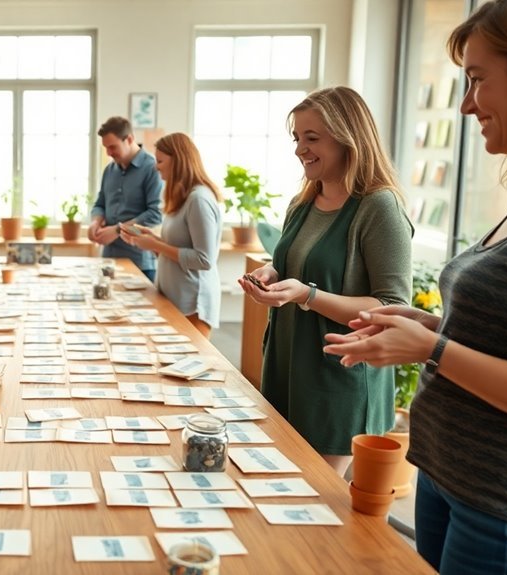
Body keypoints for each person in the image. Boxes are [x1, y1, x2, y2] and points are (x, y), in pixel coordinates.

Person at [324, 1, 507, 571]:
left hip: (506, 507)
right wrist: (429, 325)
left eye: (477, 80)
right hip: (449, 477)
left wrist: (433, 348)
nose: (467, 103)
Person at [238, 86, 413, 475]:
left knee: (313, 502)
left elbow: (392, 306)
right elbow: (296, 266)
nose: (300, 148)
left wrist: (307, 295)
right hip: (287, 367)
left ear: (348, 137)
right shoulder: (303, 202)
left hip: (338, 382)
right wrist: (272, 274)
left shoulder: (378, 207)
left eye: (312, 138)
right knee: (278, 486)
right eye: (297, 138)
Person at [119, 132, 222, 337]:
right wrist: (152, 239)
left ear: (178, 161)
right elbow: (179, 246)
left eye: (160, 161)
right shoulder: (183, 198)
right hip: (175, 299)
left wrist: (155, 246)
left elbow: (204, 259)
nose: (156, 166)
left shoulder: (199, 200)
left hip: (193, 304)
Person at [88, 116, 163, 281]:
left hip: (140, 262)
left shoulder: (152, 168)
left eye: (113, 147)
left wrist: (118, 230)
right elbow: (100, 204)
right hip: (108, 260)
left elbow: (155, 216)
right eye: (106, 148)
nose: (108, 153)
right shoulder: (109, 170)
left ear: (129, 139)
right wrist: (95, 221)